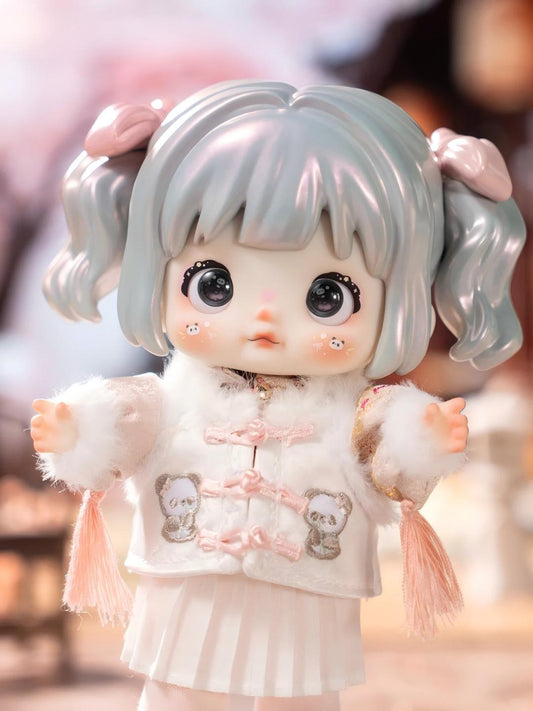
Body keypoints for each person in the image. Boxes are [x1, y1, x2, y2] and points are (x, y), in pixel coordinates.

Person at [30, 82, 525, 711]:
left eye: (327, 296)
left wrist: (421, 439)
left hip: (307, 589)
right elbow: (124, 421)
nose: (264, 320)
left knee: (302, 692)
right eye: (213, 284)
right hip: (190, 584)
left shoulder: (355, 413)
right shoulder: (172, 400)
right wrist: (79, 431)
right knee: (180, 686)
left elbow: (387, 449)